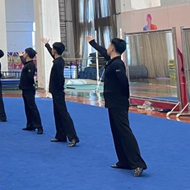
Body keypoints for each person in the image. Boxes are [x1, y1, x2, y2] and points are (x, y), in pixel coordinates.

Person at [87, 35, 147, 177]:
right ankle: (124, 161)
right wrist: (92, 43)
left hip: (118, 103)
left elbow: (124, 83)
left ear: (113, 48)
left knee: (124, 132)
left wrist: (125, 99)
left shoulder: (117, 64)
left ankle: (138, 163)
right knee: (116, 132)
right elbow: (103, 51)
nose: (107, 47)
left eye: (109, 45)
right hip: (112, 102)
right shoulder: (112, 61)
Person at [43, 38, 79, 147]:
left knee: (63, 114)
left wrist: (60, 88)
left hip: (58, 91)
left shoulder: (58, 62)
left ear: (55, 50)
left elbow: (60, 78)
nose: (51, 50)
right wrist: (47, 45)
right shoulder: (58, 60)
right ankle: (61, 135)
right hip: (56, 91)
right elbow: (52, 55)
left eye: (52, 49)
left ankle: (73, 137)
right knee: (57, 113)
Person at [19, 47, 43, 135]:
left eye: (25, 53)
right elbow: (24, 62)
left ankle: (39, 126)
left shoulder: (30, 65)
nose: (24, 54)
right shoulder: (28, 64)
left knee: (32, 107)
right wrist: (20, 57)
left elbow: (29, 77)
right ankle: (30, 124)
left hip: (29, 89)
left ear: (28, 54)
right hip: (25, 88)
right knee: (27, 107)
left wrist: (32, 81)